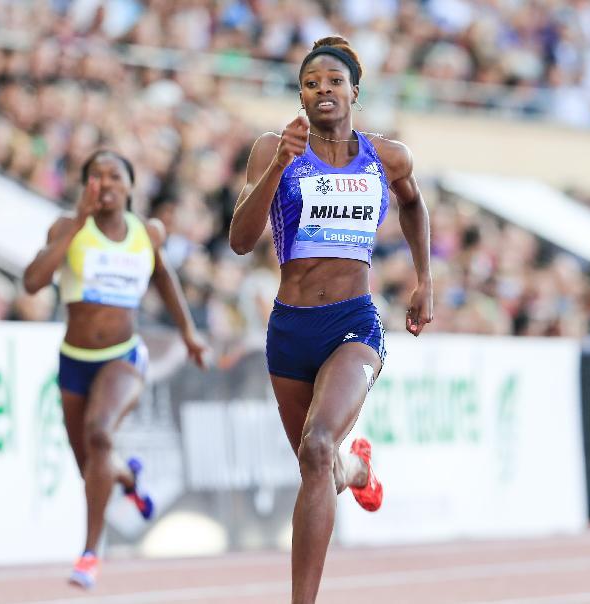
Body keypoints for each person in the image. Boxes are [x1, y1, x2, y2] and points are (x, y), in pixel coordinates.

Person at [229, 36, 432, 604]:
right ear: (301, 94)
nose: (324, 90)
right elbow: (241, 241)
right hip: (290, 328)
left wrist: (424, 280)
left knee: (317, 447)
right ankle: (358, 473)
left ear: (354, 93)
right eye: (313, 82)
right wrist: (277, 165)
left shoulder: (387, 156)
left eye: (335, 81)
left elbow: (413, 204)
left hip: (353, 323)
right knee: (316, 464)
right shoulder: (274, 146)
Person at [23, 150, 207, 589]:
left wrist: (188, 332)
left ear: (130, 186)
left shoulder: (147, 232)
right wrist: (74, 225)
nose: (104, 183)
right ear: (85, 185)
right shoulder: (67, 227)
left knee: (101, 433)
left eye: (114, 176)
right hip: (75, 361)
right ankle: (127, 476)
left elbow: (164, 278)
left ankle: (89, 553)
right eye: (95, 176)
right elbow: (31, 282)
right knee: (92, 466)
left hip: (124, 357)